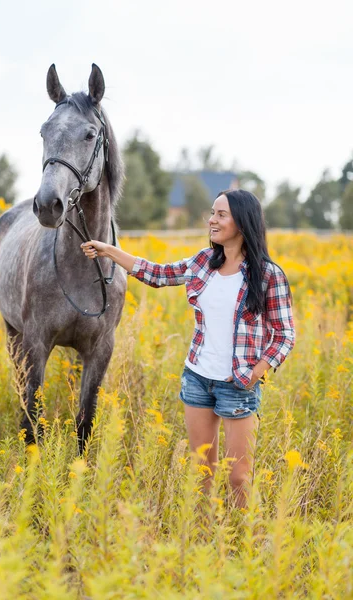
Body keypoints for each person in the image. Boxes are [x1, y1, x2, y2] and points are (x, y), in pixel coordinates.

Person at [81, 189, 295, 508]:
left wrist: (257, 372)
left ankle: (249, 544)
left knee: (238, 477)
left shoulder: (267, 275)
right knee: (202, 473)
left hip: (239, 384)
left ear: (243, 221)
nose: (212, 220)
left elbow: (284, 333)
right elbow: (156, 273)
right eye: (212, 213)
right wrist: (109, 251)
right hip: (197, 379)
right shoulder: (202, 262)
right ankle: (203, 541)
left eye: (221, 215)